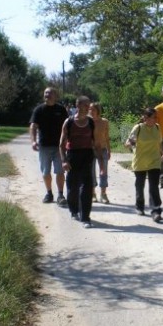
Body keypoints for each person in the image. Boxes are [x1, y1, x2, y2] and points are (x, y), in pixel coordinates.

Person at [59, 96, 101, 228]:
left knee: (87, 187)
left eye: (89, 104)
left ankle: (85, 217)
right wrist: (64, 160)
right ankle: (73, 210)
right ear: (78, 106)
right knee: (72, 188)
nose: (88, 107)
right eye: (85, 104)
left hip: (87, 155)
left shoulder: (90, 122)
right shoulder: (69, 122)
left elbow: (95, 142)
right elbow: (61, 144)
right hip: (73, 156)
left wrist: (101, 162)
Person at [125, 107, 163, 223]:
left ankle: (156, 210)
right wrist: (129, 143)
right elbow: (129, 141)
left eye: (156, 117)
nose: (155, 119)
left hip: (154, 161)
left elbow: (160, 142)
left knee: (153, 186)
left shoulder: (157, 127)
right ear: (146, 118)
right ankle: (140, 206)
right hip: (140, 161)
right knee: (140, 185)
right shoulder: (138, 128)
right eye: (154, 117)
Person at [29, 87, 68, 206]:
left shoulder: (61, 110)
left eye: (50, 93)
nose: (47, 95)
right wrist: (33, 141)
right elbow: (33, 126)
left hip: (59, 147)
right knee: (46, 172)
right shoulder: (39, 110)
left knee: (60, 171)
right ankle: (49, 193)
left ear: (55, 96)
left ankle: (60, 195)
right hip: (44, 146)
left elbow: (67, 126)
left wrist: (68, 141)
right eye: (45, 93)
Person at [89, 102, 111, 204]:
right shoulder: (87, 121)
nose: (90, 111)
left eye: (93, 109)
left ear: (98, 110)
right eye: (89, 109)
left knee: (104, 172)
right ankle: (93, 194)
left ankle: (103, 194)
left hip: (102, 150)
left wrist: (109, 150)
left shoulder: (104, 122)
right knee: (91, 172)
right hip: (90, 150)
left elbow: (107, 137)